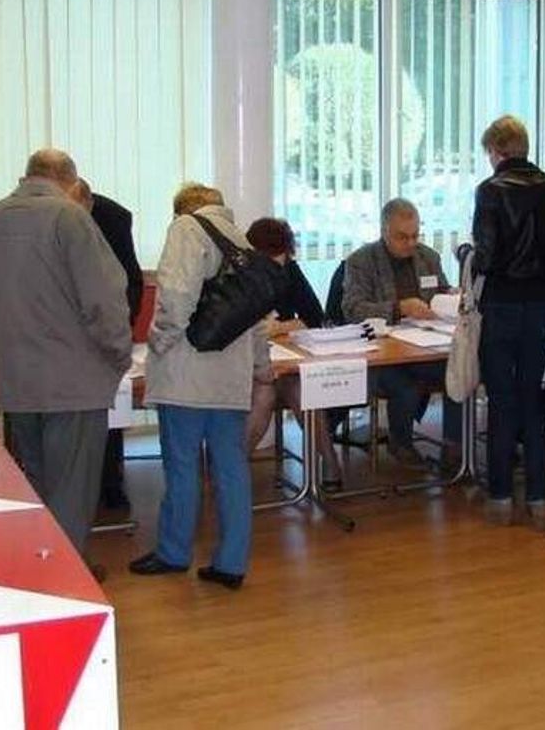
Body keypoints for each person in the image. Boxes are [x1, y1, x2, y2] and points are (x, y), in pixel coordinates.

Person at [0, 149, 132, 579]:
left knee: (37, 483)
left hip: (17, 381)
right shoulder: (70, 218)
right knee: (72, 490)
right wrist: (118, 355)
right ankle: (65, 580)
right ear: (71, 182)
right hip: (75, 383)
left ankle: (39, 569)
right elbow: (104, 301)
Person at [128, 183, 267, 590]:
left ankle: (173, 553)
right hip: (230, 378)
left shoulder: (186, 230)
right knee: (231, 467)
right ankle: (231, 562)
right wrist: (261, 367)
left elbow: (175, 299)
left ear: (180, 211)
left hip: (186, 377)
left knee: (182, 466)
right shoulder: (242, 242)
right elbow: (258, 319)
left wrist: (157, 343)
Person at [471, 116, 545, 527]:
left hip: (501, 306)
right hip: (541, 306)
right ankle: (539, 497)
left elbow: (487, 256)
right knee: (532, 397)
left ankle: (500, 496)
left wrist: (466, 254)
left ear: (495, 150)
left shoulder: (490, 190)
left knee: (501, 400)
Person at [342, 198, 461, 470]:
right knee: (404, 386)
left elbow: (440, 291)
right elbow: (352, 309)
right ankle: (401, 443)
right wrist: (398, 308)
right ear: (384, 231)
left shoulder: (428, 257)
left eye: (415, 235)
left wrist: (450, 296)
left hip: (426, 345)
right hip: (384, 353)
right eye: (402, 237)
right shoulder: (361, 261)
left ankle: (454, 446)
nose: (410, 243)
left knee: (458, 373)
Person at [243, 217, 343, 488]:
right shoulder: (237, 275)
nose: (276, 269)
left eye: (282, 261)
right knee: (264, 396)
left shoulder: (289, 270)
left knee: (301, 388)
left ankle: (330, 463)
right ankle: (232, 471)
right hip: (246, 368)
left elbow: (315, 317)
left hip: (283, 361)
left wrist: (280, 327)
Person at [71, 178, 144, 511]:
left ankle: (110, 481)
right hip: (62, 328)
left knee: (111, 400)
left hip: (106, 322)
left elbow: (129, 278)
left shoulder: (113, 218)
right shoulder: (42, 219)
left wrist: (120, 326)